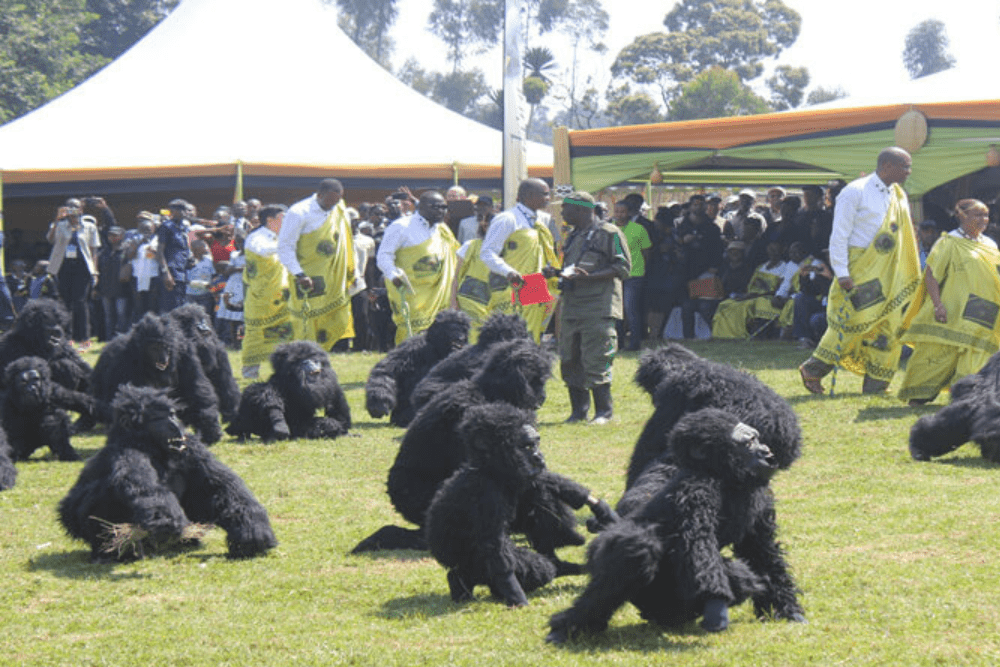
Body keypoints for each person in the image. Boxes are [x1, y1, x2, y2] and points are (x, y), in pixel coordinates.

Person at [799, 146, 921, 395]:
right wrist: (842, 273)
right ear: (887, 166)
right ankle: (813, 369)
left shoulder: (897, 193)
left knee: (889, 324)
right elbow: (839, 236)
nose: (909, 171)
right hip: (860, 270)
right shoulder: (855, 192)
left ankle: (876, 383)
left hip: (890, 272)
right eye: (905, 166)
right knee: (852, 321)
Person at [897, 199, 1000, 405]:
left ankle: (967, 399)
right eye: (977, 215)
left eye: (986, 215)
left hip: (985, 310)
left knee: (978, 355)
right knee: (940, 355)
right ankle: (919, 396)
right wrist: (938, 305)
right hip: (954, 310)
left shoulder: (989, 244)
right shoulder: (948, 242)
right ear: (962, 216)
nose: (983, 220)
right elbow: (931, 276)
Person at [548, 191, 630, 425]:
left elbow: (623, 268)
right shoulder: (574, 235)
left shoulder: (609, 233)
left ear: (583, 210)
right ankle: (578, 411)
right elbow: (574, 269)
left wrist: (591, 277)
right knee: (570, 358)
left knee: (597, 357)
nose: (562, 213)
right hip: (572, 306)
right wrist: (555, 273)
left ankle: (603, 412)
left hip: (598, 305)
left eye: (566, 208)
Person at [278, 179, 356, 349]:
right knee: (308, 321)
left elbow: (347, 241)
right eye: (329, 202)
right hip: (308, 277)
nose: (332, 206)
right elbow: (285, 247)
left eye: (336, 201)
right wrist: (299, 274)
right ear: (319, 195)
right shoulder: (298, 212)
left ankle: (336, 353)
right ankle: (306, 355)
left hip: (335, 277)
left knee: (338, 317)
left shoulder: (339, 208)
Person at [480, 178, 561, 342]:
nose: (549, 198)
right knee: (513, 336)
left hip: (535, 283)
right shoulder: (508, 219)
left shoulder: (540, 220)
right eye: (545, 194)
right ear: (529, 195)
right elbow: (487, 252)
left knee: (532, 333)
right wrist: (508, 271)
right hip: (515, 286)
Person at [376, 190, 458, 344]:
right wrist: (394, 275)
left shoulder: (442, 230)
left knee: (439, 337)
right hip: (412, 293)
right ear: (422, 207)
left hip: (439, 293)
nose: (441, 211)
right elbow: (384, 256)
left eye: (444, 207)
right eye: (436, 207)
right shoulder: (401, 226)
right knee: (413, 337)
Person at [243, 204, 294, 379]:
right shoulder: (256, 237)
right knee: (257, 335)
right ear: (270, 220)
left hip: (282, 295)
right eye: (283, 218)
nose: (288, 222)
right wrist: (286, 245)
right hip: (261, 297)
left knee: (284, 333)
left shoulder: (281, 237)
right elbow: (263, 251)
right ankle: (250, 373)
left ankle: (283, 372)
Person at [46, 198, 101, 344]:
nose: (72, 209)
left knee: (80, 302)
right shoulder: (60, 225)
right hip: (64, 267)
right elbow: (50, 240)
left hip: (82, 268)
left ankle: (84, 337)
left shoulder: (89, 226)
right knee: (66, 303)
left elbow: (93, 249)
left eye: (75, 207)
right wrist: (57, 220)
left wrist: (95, 271)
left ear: (81, 210)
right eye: (69, 206)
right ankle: (68, 337)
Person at [613, 200, 651, 350]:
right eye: (617, 211)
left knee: (630, 309)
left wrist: (643, 268)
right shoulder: (609, 229)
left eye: (622, 212)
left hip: (634, 274)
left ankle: (635, 343)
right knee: (617, 310)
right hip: (615, 274)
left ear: (629, 213)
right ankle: (619, 343)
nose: (619, 215)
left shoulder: (638, 229)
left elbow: (647, 252)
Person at [452, 206, 494, 339]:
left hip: (496, 308)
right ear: (485, 226)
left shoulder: (510, 250)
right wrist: (453, 304)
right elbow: (454, 277)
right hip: (469, 309)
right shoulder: (470, 246)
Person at [156, 198, 193, 313]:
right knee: (171, 307)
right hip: (172, 272)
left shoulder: (184, 227)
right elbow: (160, 251)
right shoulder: (166, 227)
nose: (187, 213)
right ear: (175, 211)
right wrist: (166, 273)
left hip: (183, 272)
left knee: (181, 305)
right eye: (184, 210)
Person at [97, 226, 129, 339]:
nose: (112, 237)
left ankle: (121, 338)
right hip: (105, 289)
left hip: (122, 289)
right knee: (108, 316)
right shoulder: (103, 251)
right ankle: (109, 338)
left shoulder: (126, 250)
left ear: (121, 236)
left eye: (115, 235)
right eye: (110, 235)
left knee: (121, 315)